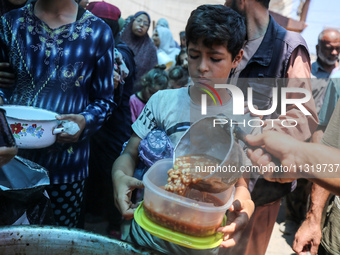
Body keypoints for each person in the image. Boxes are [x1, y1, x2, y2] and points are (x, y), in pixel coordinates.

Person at [112, 5, 256, 254]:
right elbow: (128, 154)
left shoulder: (242, 118)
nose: (202, 67)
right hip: (147, 235)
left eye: (215, 58)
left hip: (200, 244)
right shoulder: (162, 102)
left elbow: (241, 184)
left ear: (237, 58)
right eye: (194, 54)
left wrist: (244, 208)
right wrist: (120, 176)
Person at [0, 0, 115, 228]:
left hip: (67, 166)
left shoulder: (98, 32)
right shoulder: (10, 23)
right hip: (11, 165)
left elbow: (105, 100)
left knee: (59, 240)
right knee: (10, 239)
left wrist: (84, 121)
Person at [224, 0, 318, 254]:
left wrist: (258, 128)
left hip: (259, 194)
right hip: (217, 185)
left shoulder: (290, 47)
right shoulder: (231, 38)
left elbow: (303, 118)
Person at [85, 1, 137, 238]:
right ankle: (97, 216)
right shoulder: (96, 45)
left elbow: (119, 65)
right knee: (97, 174)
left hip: (114, 128)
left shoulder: (120, 50)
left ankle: (115, 224)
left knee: (113, 175)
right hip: (98, 130)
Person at [120, 11, 157, 92]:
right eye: (139, 21)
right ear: (132, 21)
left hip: (137, 94)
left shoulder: (150, 48)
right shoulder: (120, 39)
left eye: (146, 24)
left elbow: (151, 74)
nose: (141, 25)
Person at [311, 29, 340, 114]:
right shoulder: (307, 72)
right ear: (317, 48)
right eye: (329, 48)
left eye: (338, 48)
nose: (334, 52)